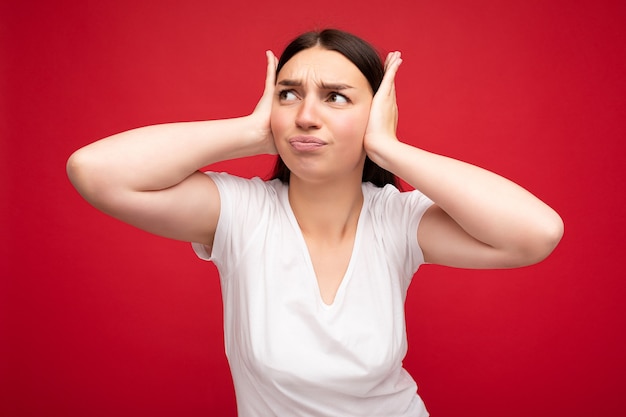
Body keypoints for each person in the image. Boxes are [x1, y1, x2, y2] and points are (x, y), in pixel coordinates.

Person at [67, 28, 563, 417]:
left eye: (335, 97)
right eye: (288, 94)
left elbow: (535, 234)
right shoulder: (241, 213)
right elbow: (95, 172)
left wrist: (390, 147)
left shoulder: (396, 220)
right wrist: (249, 133)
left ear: (376, 113)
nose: (305, 115)